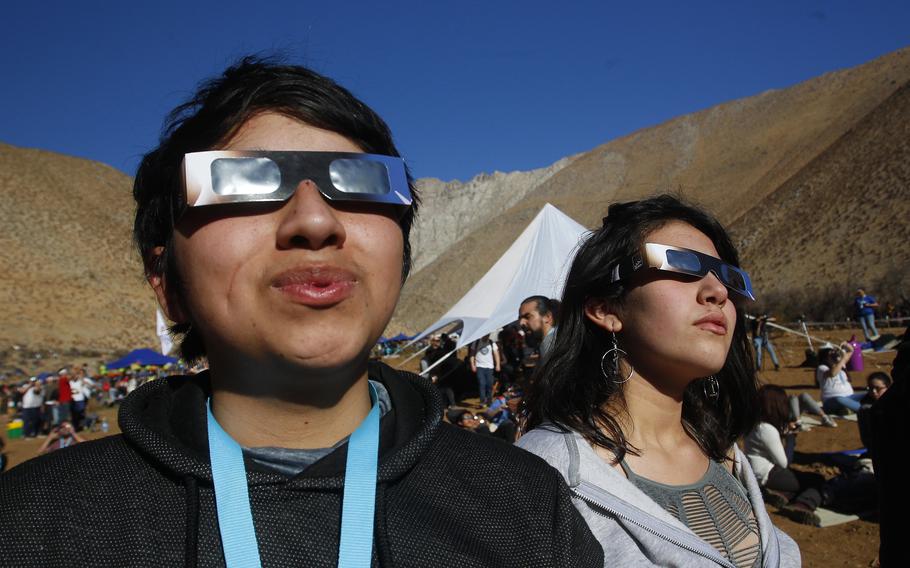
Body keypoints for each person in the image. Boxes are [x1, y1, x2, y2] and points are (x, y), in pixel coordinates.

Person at [0, 57, 602, 567]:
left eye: (362, 183)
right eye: (240, 183)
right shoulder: (36, 526)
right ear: (168, 285)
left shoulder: (524, 507)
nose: (315, 221)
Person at [517, 195, 800, 567]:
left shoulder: (724, 452)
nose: (717, 292)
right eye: (681, 265)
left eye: (728, 278)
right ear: (605, 308)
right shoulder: (544, 474)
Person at [744, 386, 825, 526]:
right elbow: (784, 463)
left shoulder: (755, 425)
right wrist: (791, 440)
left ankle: (781, 494)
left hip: (755, 474)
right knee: (816, 480)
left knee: (797, 480)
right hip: (768, 475)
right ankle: (803, 505)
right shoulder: (767, 430)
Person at [816, 342, 865, 414]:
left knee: (869, 394)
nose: (834, 353)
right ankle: (864, 410)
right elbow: (833, 373)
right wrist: (843, 359)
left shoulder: (841, 363)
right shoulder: (821, 368)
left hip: (850, 397)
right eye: (831, 352)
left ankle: (847, 409)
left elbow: (851, 350)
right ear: (825, 356)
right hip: (832, 400)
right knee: (840, 400)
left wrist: (846, 345)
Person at [518, 295, 557, 361]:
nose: (521, 323)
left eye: (527, 317)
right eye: (520, 318)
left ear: (547, 317)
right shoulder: (549, 342)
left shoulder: (555, 343)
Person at [469, 333, 500, 405]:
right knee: (482, 383)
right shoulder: (476, 342)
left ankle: (489, 400)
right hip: (480, 366)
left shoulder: (491, 342)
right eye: (486, 335)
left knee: (490, 384)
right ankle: (482, 401)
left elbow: (496, 354)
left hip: (490, 367)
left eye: (488, 335)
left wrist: (498, 365)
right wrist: (473, 365)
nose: (487, 336)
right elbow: (472, 354)